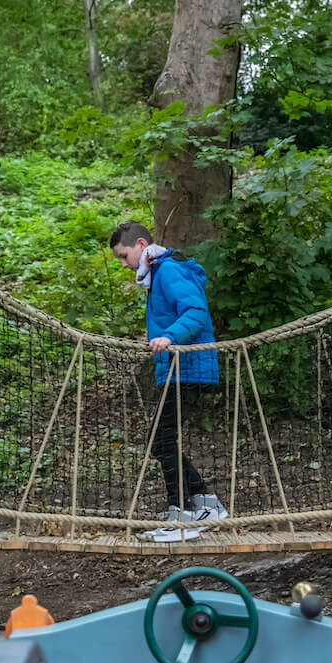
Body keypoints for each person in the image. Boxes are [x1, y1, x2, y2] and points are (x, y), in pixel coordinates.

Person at [109, 220, 228, 535]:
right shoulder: (156, 275)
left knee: (160, 439)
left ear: (141, 245)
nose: (124, 264)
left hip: (187, 368)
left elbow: (195, 311)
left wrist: (169, 338)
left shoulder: (168, 271)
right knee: (160, 440)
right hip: (176, 369)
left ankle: (184, 510)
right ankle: (203, 502)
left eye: (124, 256)